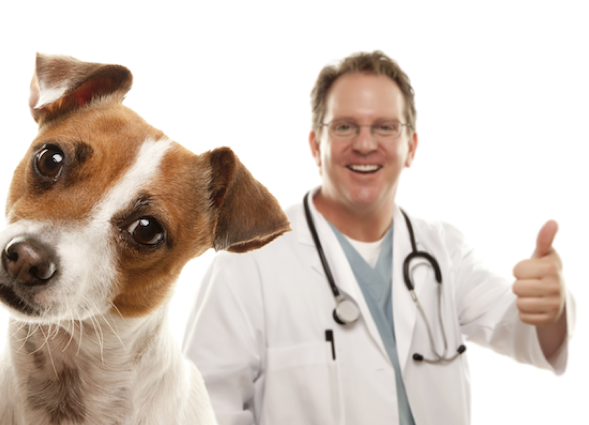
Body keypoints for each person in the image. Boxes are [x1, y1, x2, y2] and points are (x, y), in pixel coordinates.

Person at [183, 51, 574, 424]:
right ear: (316, 146)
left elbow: (528, 333)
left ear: (411, 147)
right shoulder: (248, 262)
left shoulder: (444, 252)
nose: (366, 143)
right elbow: (205, 408)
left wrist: (551, 306)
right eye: (344, 126)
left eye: (385, 127)